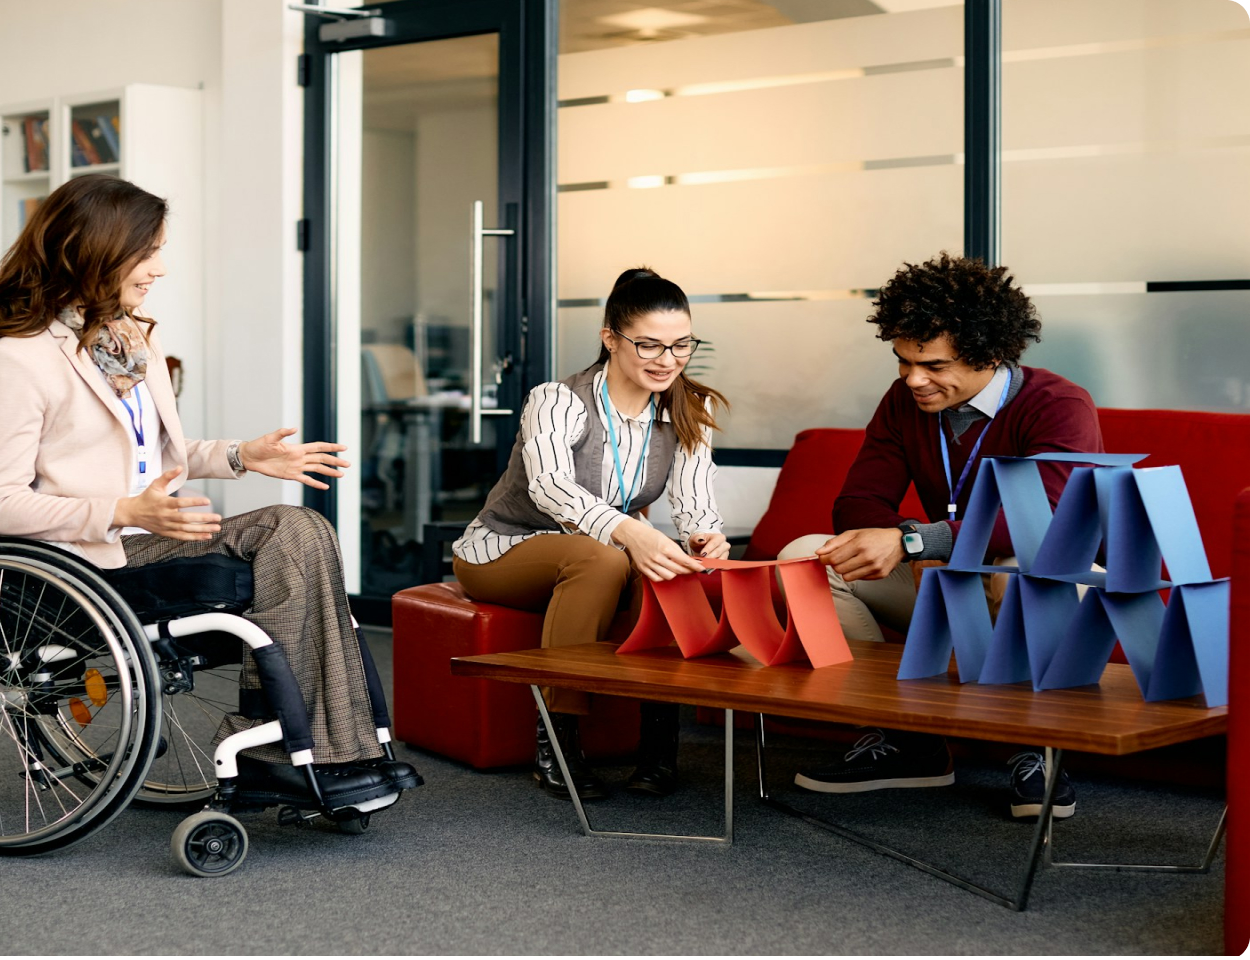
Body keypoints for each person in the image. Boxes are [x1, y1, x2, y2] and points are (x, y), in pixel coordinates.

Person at [0, 174, 419, 806]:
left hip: (151, 536)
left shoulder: (129, 340)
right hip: (90, 562)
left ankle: (312, 751)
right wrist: (123, 510)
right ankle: (301, 753)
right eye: (146, 250)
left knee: (302, 528)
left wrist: (242, 456)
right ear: (93, 248)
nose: (159, 267)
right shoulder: (18, 359)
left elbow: (147, 458)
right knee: (293, 539)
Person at [779, 252, 1102, 820]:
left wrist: (917, 542)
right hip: (944, 583)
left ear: (989, 353)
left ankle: (1038, 745)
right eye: (903, 361)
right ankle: (905, 736)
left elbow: (1049, 520)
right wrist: (917, 540)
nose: (913, 379)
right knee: (804, 558)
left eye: (932, 364)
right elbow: (857, 502)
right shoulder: (904, 402)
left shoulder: (1058, 405)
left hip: (1028, 574)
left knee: (1044, 574)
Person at [453, 267, 729, 800]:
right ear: (610, 338)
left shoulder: (689, 407)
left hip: (605, 549)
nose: (667, 360)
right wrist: (631, 533)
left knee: (668, 566)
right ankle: (557, 743)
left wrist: (704, 538)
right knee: (603, 560)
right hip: (504, 547)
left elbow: (696, 500)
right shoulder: (558, 400)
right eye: (648, 344)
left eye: (681, 345)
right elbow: (550, 488)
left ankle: (658, 747)